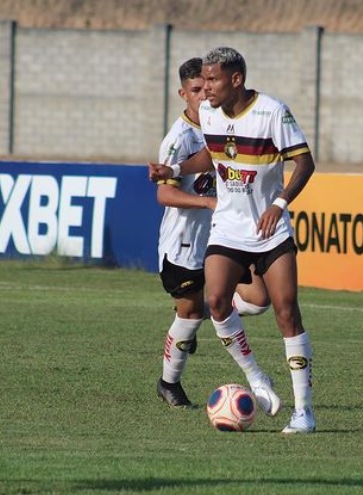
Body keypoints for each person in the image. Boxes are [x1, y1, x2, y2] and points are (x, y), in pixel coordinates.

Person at [149, 47, 317, 433]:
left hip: (270, 229)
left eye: (212, 80)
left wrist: (279, 202)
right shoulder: (208, 113)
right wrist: (172, 168)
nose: (205, 88)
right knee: (216, 300)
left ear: (236, 80)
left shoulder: (272, 111)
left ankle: (303, 411)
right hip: (228, 227)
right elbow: (211, 156)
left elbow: (305, 162)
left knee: (285, 311)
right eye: (202, 81)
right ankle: (256, 378)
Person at [155, 57, 271, 408]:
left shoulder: (220, 125)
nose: (202, 96)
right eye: (194, 91)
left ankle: (213, 307)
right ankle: (168, 383)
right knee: (188, 317)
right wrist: (207, 204)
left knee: (258, 298)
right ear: (182, 94)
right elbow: (164, 193)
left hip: (224, 237)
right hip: (184, 245)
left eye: (206, 88)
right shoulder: (178, 140)